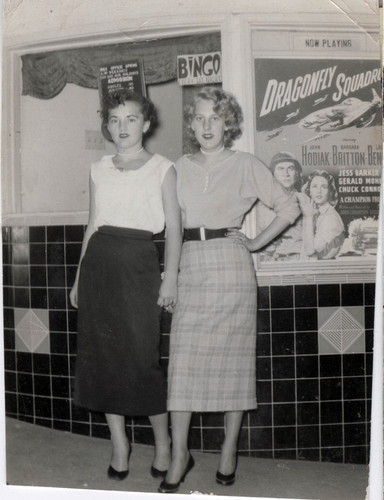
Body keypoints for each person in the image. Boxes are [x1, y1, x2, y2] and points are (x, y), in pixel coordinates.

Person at [158, 86, 300, 494]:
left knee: (235, 366)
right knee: (182, 364)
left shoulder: (245, 164)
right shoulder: (177, 168)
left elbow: (289, 207)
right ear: (191, 124)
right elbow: (171, 227)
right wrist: (170, 274)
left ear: (228, 123)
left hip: (232, 268)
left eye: (214, 118)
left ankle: (227, 451)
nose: (206, 126)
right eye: (199, 118)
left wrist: (255, 243)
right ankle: (181, 454)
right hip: (189, 263)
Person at [69, 89, 182, 481]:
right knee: (103, 359)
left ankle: (163, 444)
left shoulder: (163, 168)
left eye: (131, 119)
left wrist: (170, 278)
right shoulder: (98, 168)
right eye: (115, 120)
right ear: (107, 126)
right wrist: (79, 277)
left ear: (146, 124)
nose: (122, 127)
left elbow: (174, 231)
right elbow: (92, 224)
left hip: (139, 267)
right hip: (99, 266)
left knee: (142, 360)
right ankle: (119, 444)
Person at [258, 152, 304, 261]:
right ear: (272, 174)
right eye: (281, 169)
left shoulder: (306, 202)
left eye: (291, 168)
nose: (286, 174)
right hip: (269, 261)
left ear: (297, 174)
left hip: (297, 260)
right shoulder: (261, 204)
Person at [301, 169, 345, 260]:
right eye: (315, 186)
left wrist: (308, 217)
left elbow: (309, 252)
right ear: (309, 191)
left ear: (330, 192)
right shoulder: (316, 212)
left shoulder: (330, 217)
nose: (319, 191)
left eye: (324, 187)